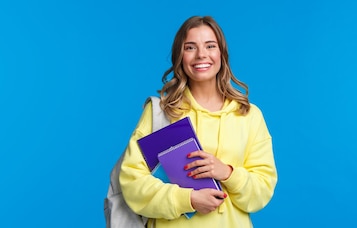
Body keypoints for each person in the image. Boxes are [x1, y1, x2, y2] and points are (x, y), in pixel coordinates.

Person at [119, 15, 277, 228]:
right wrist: (188, 200)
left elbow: (262, 191)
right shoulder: (161, 112)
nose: (201, 55)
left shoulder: (249, 115)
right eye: (190, 47)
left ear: (221, 53)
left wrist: (227, 173)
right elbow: (133, 183)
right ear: (179, 56)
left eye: (210, 46)